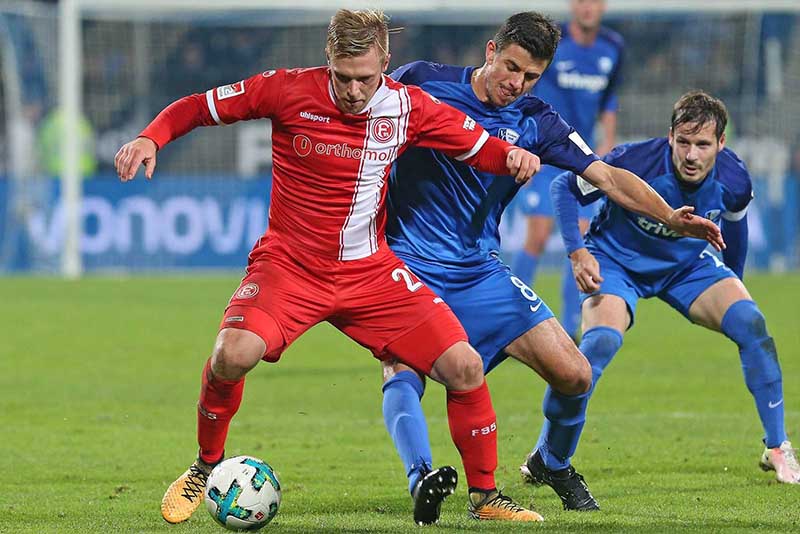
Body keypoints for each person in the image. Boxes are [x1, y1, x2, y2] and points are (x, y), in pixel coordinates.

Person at [114, 9, 545, 526]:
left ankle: (486, 497)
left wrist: (514, 159)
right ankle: (205, 467)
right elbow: (200, 107)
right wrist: (150, 137)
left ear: (386, 62)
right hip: (289, 267)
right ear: (328, 60)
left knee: (465, 367)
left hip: (370, 272)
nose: (354, 91)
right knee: (232, 355)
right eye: (343, 77)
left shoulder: (410, 106)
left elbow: (480, 148)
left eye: (366, 78)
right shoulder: (285, 90)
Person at [379, 12, 724, 521]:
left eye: (531, 76)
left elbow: (607, 176)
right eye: (511, 67)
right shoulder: (421, 81)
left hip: (477, 269)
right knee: (403, 368)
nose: (515, 84)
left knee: (575, 373)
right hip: (406, 263)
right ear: (491, 49)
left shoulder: (537, 121)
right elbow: (360, 117)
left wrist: (671, 216)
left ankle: (551, 461)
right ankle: (422, 478)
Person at [538, 91, 799, 498]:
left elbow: (736, 232)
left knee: (751, 323)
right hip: (617, 261)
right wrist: (577, 251)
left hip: (686, 268)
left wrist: (736, 281)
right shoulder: (633, 160)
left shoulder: (734, 179)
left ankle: (778, 446)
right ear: (669, 137)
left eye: (703, 144)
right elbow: (563, 186)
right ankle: (548, 456)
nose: (691, 155)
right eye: (683, 142)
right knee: (600, 343)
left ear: (722, 143)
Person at [512, 0, 623, 340]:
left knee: (580, 236)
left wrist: (607, 145)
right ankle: (514, 318)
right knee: (539, 234)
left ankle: (570, 326)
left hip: (582, 157)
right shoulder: (552, 44)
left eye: (594, 2)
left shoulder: (613, 47)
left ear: (603, 6)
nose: (587, 8)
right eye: (581, 1)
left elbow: (609, 102)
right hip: (544, 155)